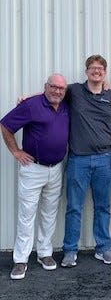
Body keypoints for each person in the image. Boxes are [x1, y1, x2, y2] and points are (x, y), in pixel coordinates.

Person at [0, 74, 69, 280]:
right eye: (53, 87)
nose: (57, 91)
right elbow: (6, 125)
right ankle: (20, 260)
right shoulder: (31, 105)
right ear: (45, 87)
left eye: (61, 88)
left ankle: (45, 254)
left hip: (56, 168)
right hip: (33, 169)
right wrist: (16, 152)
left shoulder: (66, 104)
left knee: (49, 213)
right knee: (27, 214)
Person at [61, 54, 111, 267]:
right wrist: (28, 98)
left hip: (104, 159)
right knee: (74, 207)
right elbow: (53, 92)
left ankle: (103, 248)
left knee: (103, 206)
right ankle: (70, 251)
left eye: (100, 68)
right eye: (92, 68)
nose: (96, 71)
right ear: (86, 71)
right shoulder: (74, 91)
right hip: (78, 160)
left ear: (105, 72)